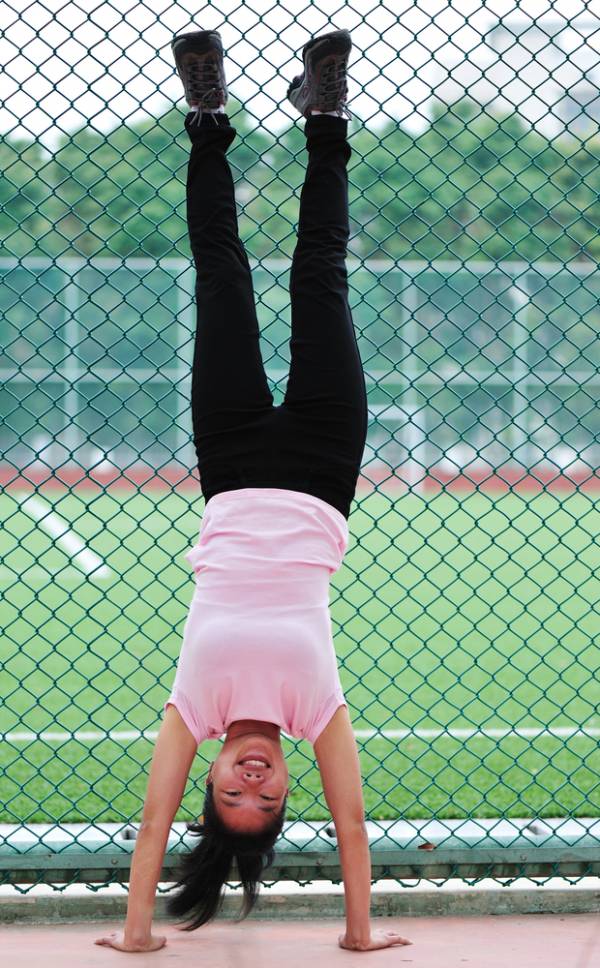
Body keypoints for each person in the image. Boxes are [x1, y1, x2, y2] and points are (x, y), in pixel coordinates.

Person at [94, 27, 412, 955]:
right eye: (264, 797)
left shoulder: (192, 707)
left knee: (222, 281)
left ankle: (207, 117)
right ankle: (326, 116)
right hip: (321, 467)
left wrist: (139, 935)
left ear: (208, 782)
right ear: (285, 790)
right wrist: (358, 937)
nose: (252, 780)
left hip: (231, 465)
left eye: (230, 792)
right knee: (321, 279)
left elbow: (151, 832)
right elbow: (354, 831)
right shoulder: (319, 712)